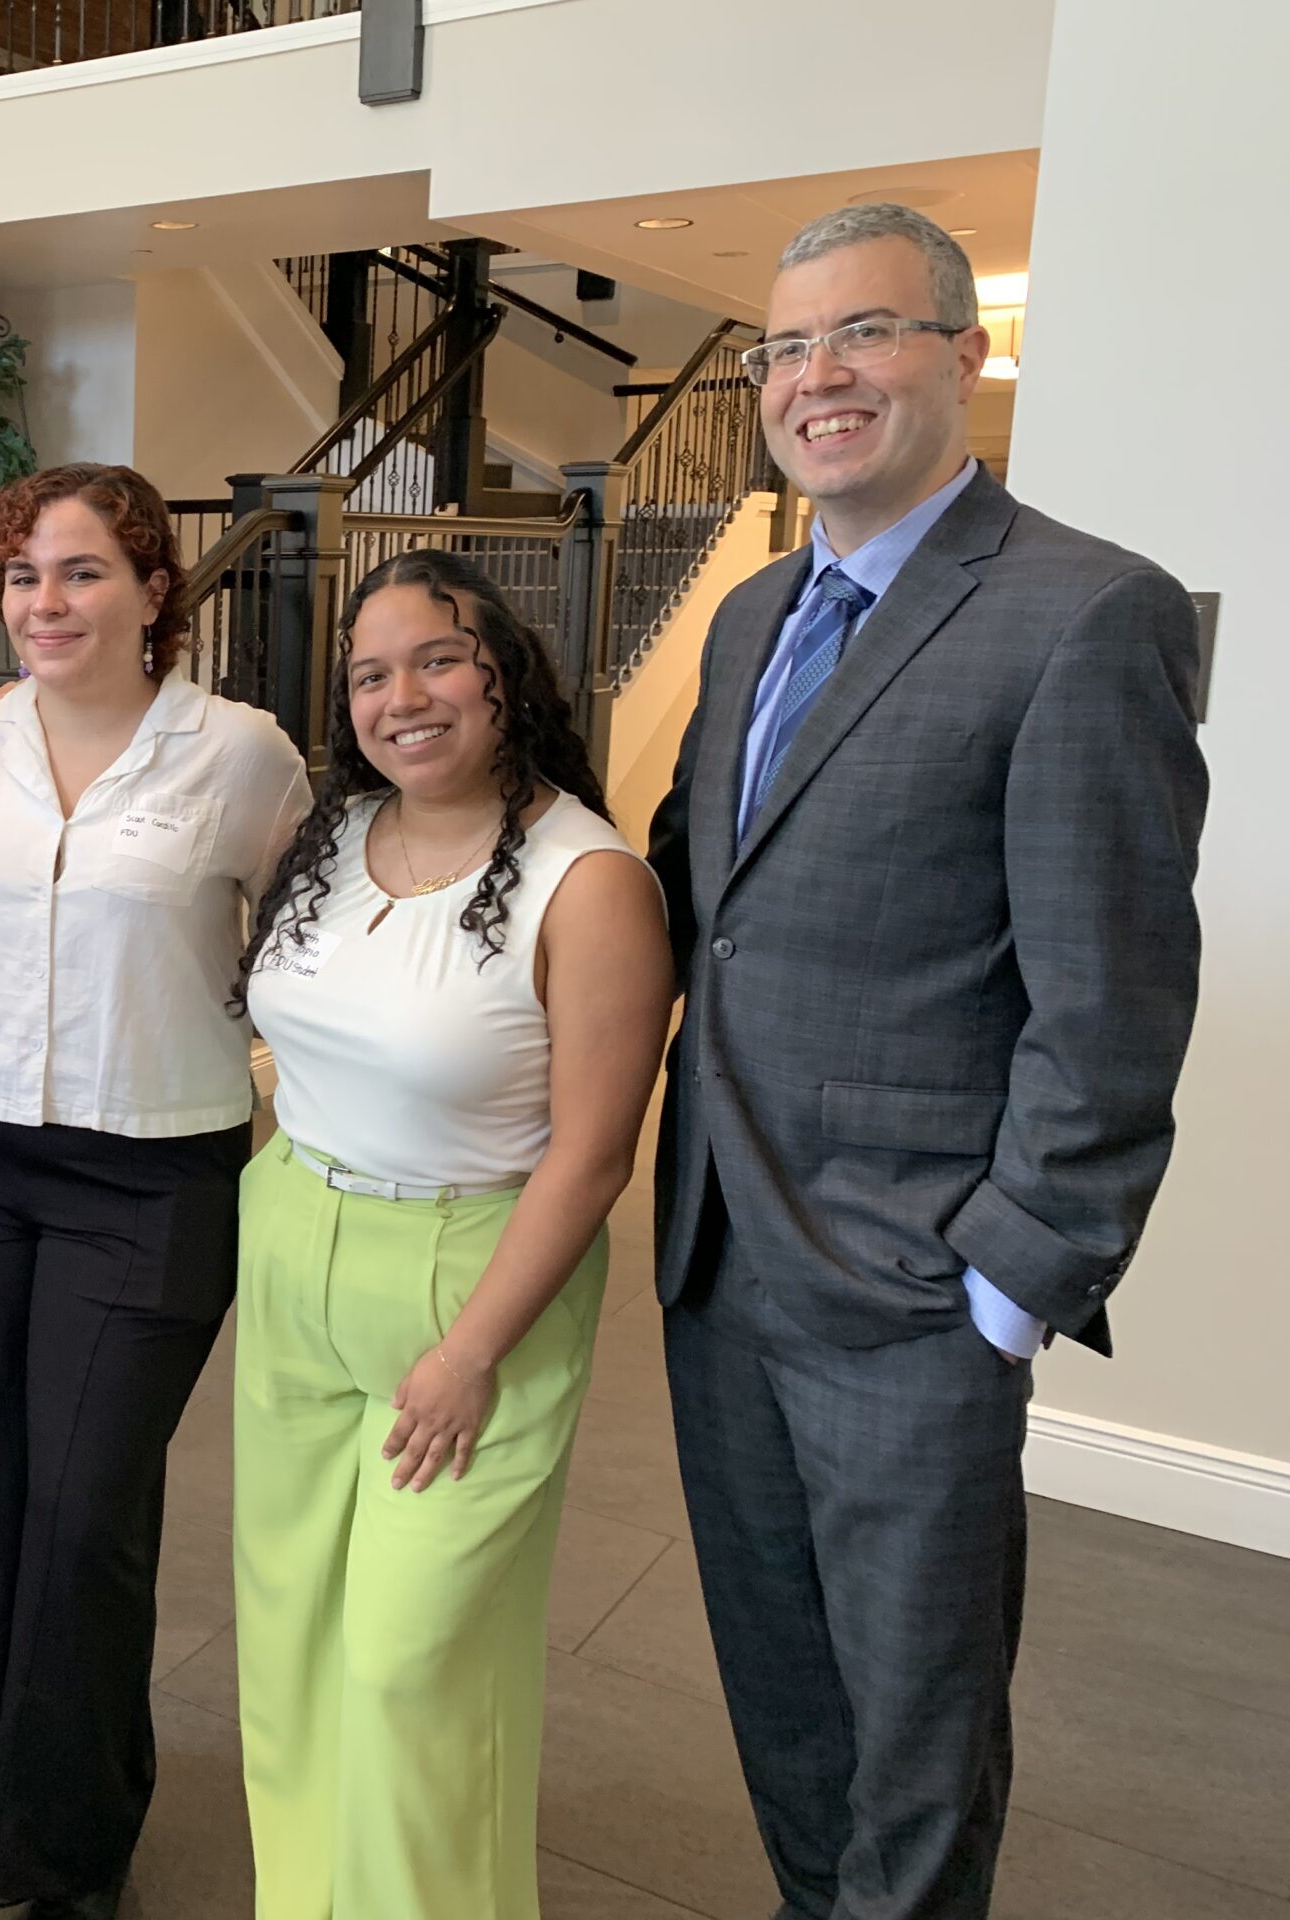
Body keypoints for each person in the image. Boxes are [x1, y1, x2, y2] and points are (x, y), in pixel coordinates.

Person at [648, 203, 1208, 1919]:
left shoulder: (1081, 614)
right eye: (785, 348)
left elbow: (1113, 1004)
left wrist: (1005, 1290)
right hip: (716, 1259)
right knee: (784, 1698)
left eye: (864, 334)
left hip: (911, 1298)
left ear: (968, 355)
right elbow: (702, 892)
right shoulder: (750, 616)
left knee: (918, 1733)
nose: (817, 378)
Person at [0, 463, 310, 1920]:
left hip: (151, 1170)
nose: (43, 602)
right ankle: (30, 1813)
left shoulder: (241, 753)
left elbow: (311, 942)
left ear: (153, 592)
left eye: (79, 572)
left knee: (84, 1514)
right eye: (21, 575)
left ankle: (66, 1852)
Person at [231, 549, 670, 1917]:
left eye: (436, 659)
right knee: (294, 1634)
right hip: (296, 1238)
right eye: (369, 672)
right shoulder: (338, 836)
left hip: (471, 1280)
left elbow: (594, 1155)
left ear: (505, 673)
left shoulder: (586, 878)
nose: (400, 696)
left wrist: (474, 1349)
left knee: (415, 1665)